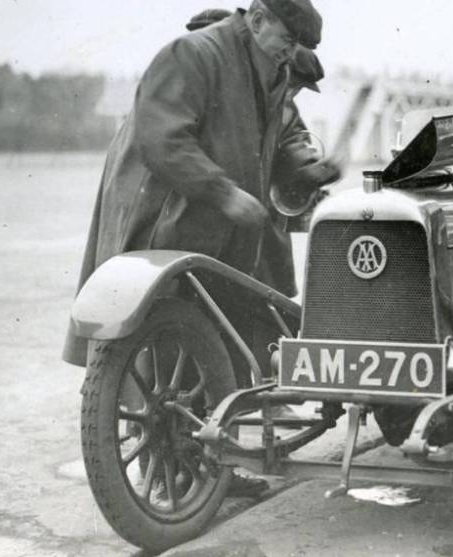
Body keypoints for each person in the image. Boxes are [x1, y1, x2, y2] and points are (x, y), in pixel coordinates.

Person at [62, 0, 325, 495]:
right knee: (161, 351)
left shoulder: (266, 68)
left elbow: (265, 143)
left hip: (214, 228)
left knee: (214, 346)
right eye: (286, 41)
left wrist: (307, 175)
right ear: (258, 18)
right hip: (165, 223)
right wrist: (225, 192)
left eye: (296, 48)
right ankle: (170, 478)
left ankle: (210, 470)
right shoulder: (193, 54)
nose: (289, 56)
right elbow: (162, 138)